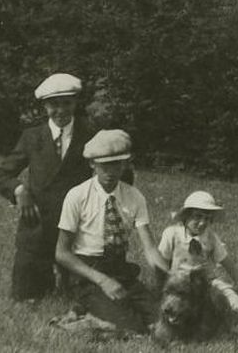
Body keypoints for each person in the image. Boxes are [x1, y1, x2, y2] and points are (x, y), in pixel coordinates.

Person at [54, 129, 169, 334]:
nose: (110, 171)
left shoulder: (134, 197)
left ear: (125, 164)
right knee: (132, 327)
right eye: (103, 165)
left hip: (121, 271)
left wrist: (171, 276)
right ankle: (84, 318)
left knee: (164, 322)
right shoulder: (77, 195)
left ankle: (88, 313)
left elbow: (150, 249)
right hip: (88, 273)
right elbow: (62, 254)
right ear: (92, 164)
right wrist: (102, 280)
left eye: (116, 164)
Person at [0, 73, 94, 302]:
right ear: (44, 105)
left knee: (83, 297)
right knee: (26, 296)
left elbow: (119, 175)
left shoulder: (91, 135)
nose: (60, 111)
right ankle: (44, 272)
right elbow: (1, 174)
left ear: (76, 102)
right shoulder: (32, 137)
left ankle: (69, 273)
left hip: (78, 230)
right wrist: (19, 190)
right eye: (53, 105)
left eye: (66, 103)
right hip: (38, 228)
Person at [158, 191, 238, 315]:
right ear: (185, 216)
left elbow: (231, 268)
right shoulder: (172, 234)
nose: (202, 223)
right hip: (179, 283)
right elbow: (161, 266)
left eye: (207, 219)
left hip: (208, 283)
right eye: (197, 216)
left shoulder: (211, 238)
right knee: (183, 310)